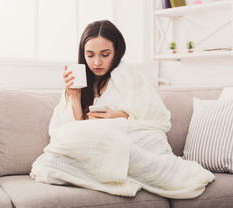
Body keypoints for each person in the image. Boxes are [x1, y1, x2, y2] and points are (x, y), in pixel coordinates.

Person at [30, 20, 214, 199]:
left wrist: (117, 117)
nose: (97, 62)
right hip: (96, 146)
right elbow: (72, 132)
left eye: (105, 54)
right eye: (90, 55)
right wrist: (75, 97)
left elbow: (157, 120)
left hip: (128, 140)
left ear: (117, 51)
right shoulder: (79, 82)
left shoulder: (128, 75)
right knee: (52, 162)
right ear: (83, 53)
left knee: (109, 137)